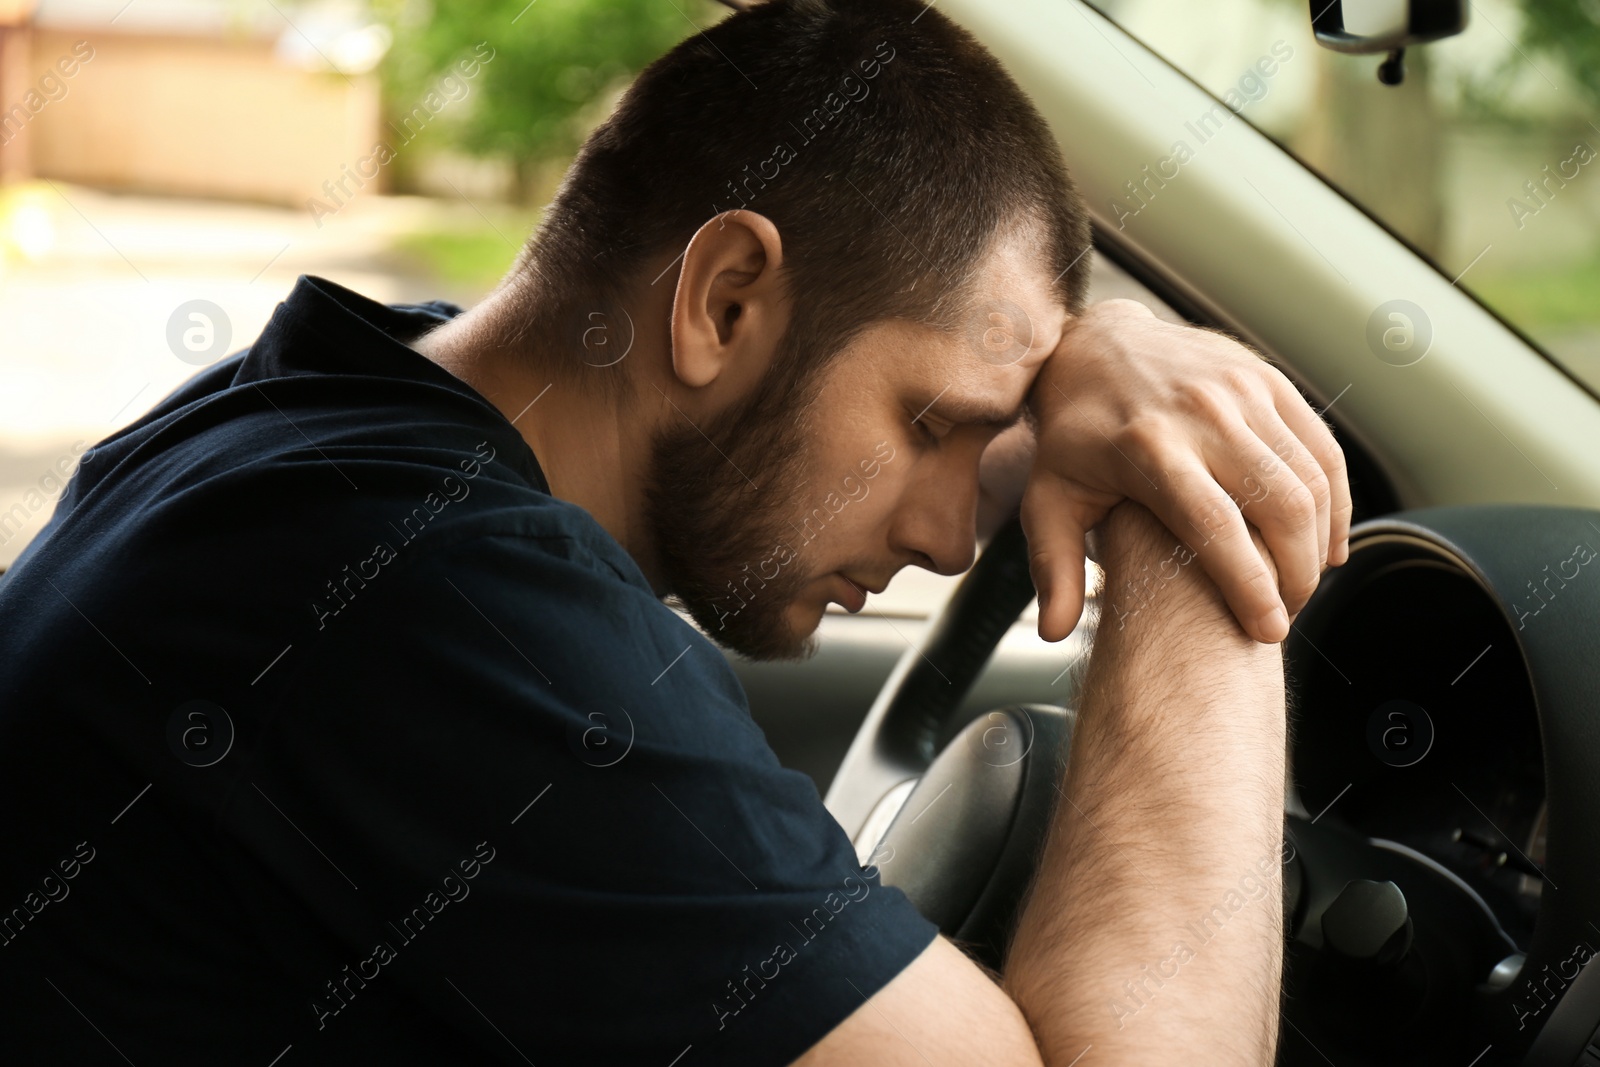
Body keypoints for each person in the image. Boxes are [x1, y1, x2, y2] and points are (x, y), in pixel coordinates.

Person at [0, 0, 1347, 1063]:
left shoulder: (303, 424)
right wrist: (1193, 510)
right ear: (724, 299)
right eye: (931, 424)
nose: (950, 539)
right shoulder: (444, 599)